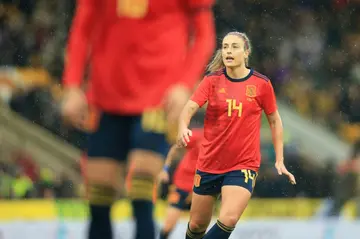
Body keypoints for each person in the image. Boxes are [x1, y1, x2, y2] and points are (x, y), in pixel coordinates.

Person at [61, 0, 216, 239]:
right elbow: (82, 28)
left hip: (157, 97)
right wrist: (72, 85)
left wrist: (185, 85)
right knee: (99, 194)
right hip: (105, 97)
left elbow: (204, 36)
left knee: (141, 185)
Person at [177, 32, 296, 239]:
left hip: (243, 164)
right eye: (225, 47)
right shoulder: (212, 81)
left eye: (234, 47)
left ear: (246, 52)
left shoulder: (261, 84)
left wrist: (280, 159)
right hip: (209, 163)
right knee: (196, 225)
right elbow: (189, 107)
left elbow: (275, 120)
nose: (228, 51)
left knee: (229, 219)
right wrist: (182, 127)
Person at [158, 128, 203, 239]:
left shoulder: (226, 140)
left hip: (202, 188)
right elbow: (175, 147)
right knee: (168, 225)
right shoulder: (199, 135)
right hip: (182, 185)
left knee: (198, 227)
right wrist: (165, 168)